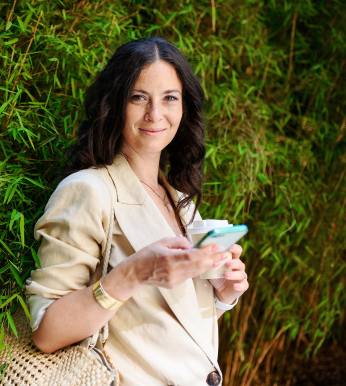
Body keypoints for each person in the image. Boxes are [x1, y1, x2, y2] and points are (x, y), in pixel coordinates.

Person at [25, 37, 249, 386]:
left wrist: (220, 296)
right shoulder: (88, 190)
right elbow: (47, 331)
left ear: (184, 107)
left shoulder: (179, 201)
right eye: (138, 97)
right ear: (114, 104)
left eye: (169, 98)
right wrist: (133, 273)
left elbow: (169, 331)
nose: (155, 114)